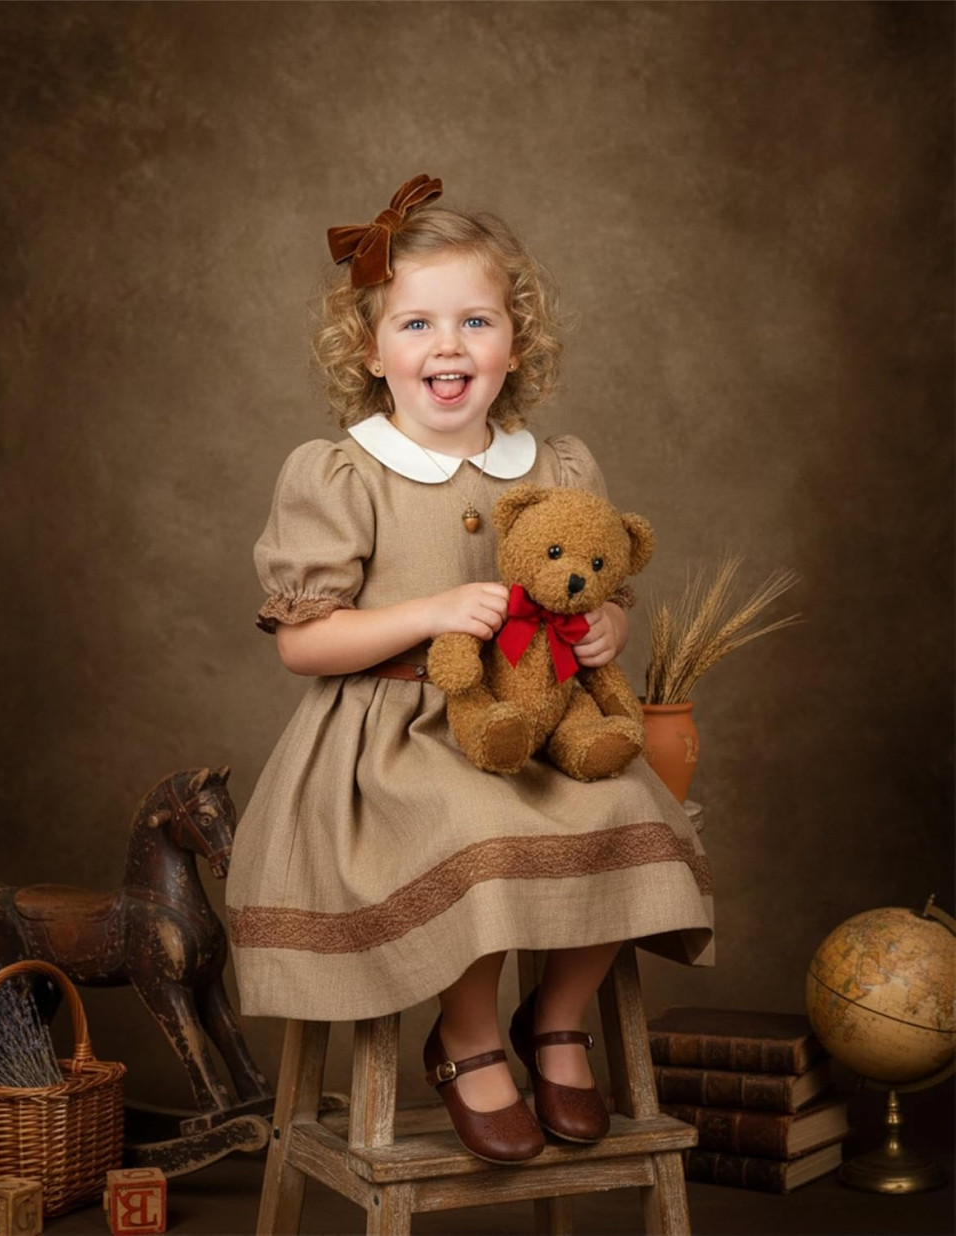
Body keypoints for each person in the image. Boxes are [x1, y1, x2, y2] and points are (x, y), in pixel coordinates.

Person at [226, 174, 713, 1163]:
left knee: (632, 807)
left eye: (475, 321)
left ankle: (556, 1018)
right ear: (372, 350)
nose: (446, 346)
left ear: (515, 343)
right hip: (394, 740)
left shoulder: (556, 465)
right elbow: (302, 644)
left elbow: (597, 584)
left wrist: (608, 629)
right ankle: (466, 1033)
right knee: (471, 829)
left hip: (538, 722)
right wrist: (430, 613)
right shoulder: (343, 472)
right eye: (416, 324)